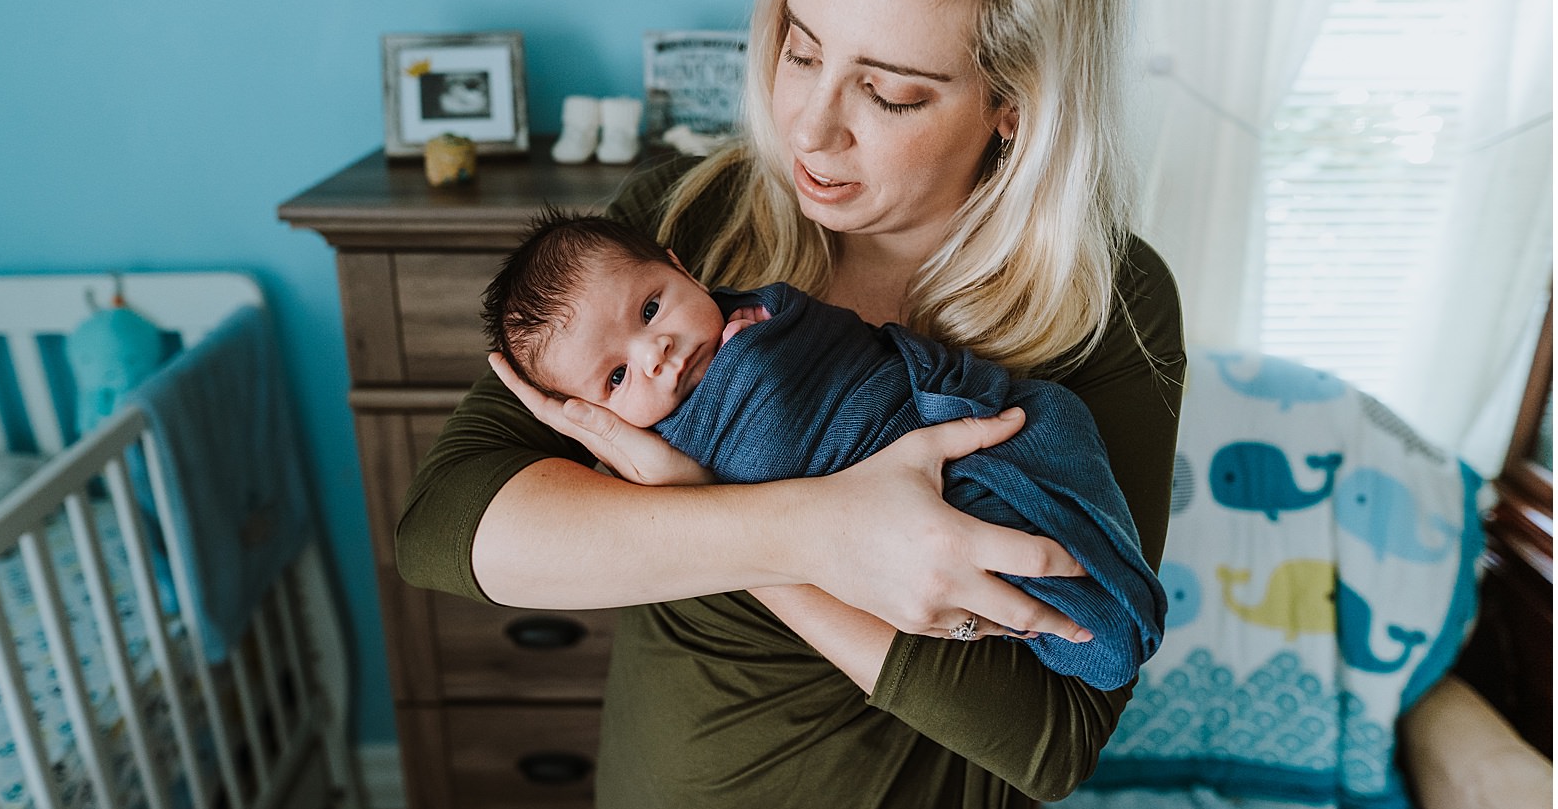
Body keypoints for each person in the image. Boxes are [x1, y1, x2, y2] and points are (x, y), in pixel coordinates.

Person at [396, 0, 1187, 809]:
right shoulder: (683, 226)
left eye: (891, 92)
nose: (808, 125)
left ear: (1013, 106)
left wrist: (708, 515)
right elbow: (446, 526)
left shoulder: (1109, 303)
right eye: (800, 48)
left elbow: (1050, 737)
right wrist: (815, 530)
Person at [480, 207, 1166, 692]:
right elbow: (441, 531)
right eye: (617, 376)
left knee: (1047, 417)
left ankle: (1105, 580)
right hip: (912, 503)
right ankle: (1103, 610)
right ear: (595, 413)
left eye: (651, 307)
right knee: (1061, 603)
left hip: (929, 415)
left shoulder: (754, 310)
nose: (654, 351)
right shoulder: (657, 447)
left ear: (678, 267)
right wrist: (689, 486)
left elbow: (847, 352)